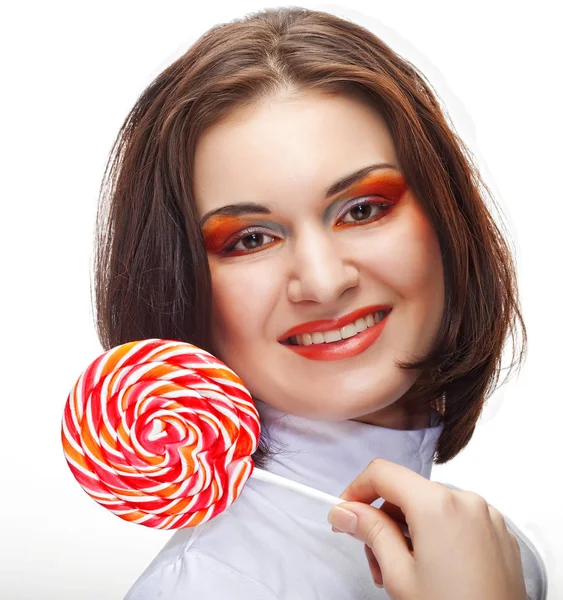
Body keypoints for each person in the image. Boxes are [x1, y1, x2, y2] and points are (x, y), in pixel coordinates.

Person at [93, 6, 547, 599]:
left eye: (363, 208)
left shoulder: (501, 560)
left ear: (446, 218)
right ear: (182, 286)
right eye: (250, 239)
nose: (325, 281)